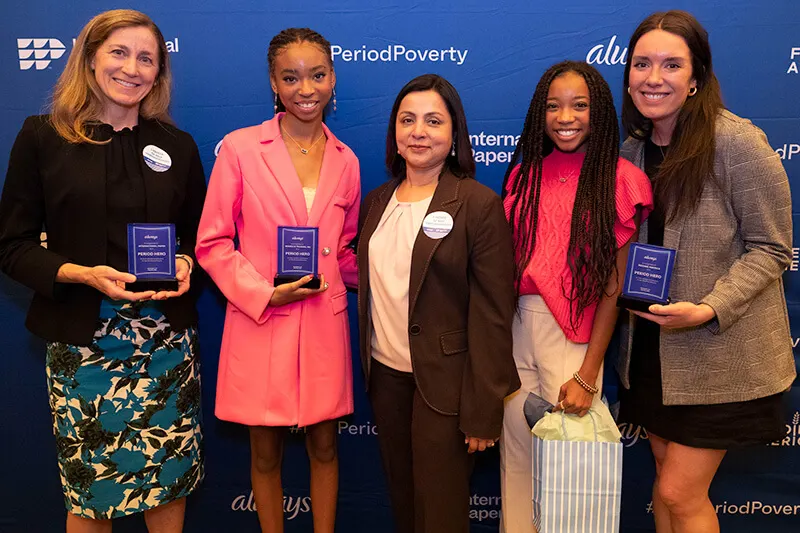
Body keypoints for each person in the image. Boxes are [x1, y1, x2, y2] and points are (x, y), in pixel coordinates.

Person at [0, 9, 206, 532]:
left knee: (168, 486)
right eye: (119, 52)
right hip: (82, 346)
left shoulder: (177, 147)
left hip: (164, 345)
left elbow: (200, 239)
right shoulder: (43, 137)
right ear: (90, 59)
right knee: (92, 497)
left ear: (159, 73)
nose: (132, 68)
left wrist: (185, 261)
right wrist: (82, 273)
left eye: (147, 59)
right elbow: (13, 246)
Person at [616, 10, 795, 533]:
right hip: (650, 354)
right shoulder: (631, 149)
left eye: (672, 65)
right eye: (642, 63)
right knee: (665, 490)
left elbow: (772, 247)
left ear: (696, 78)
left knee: (679, 492)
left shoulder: (736, 142)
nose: (654, 77)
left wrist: (709, 307)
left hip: (718, 358)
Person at [195, 28, 359, 533]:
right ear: (273, 83)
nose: (305, 88)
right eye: (291, 77)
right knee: (264, 453)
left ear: (333, 78)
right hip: (260, 319)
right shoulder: (242, 150)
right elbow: (213, 242)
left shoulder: (346, 160)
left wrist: (396, 271)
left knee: (326, 446)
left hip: (324, 324)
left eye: (317, 75)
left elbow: (347, 250)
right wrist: (263, 292)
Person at [356, 73, 520, 533]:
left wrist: (483, 410)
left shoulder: (478, 204)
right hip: (386, 380)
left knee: (442, 515)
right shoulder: (377, 202)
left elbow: (493, 314)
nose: (418, 131)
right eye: (407, 120)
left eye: (433, 120)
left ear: (454, 135)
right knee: (405, 508)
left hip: (447, 387)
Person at [498, 61, 653, 533]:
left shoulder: (620, 178)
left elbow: (614, 288)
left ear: (600, 112)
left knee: (569, 478)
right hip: (515, 329)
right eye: (554, 106)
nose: (566, 116)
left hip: (572, 337)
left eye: (580, 105)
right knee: (517, 466)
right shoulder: (523, 177)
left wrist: (588, 375)